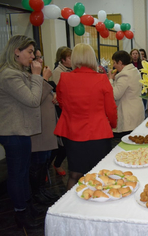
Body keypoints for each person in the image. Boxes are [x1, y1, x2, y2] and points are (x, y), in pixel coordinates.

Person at [54, 43, 117, 190]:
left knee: (74, 174)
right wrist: (112, 124)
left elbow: (62, 104)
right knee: (101, 173)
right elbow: (111, 109)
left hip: (72, 132)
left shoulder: (64, 78)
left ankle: (71, 209)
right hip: (98, 132)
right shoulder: (102, 79)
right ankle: (98, 205)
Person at [0, 35, 43, 228]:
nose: (33, 56)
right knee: (17, 173)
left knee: (24, 171)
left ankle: (27, 205)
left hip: (21, 131)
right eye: (30, 52)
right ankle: (20, 212)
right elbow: (33, 100)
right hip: (13, 132)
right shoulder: (9, 74)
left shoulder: (18, 72)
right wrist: (37, 76)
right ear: (16, 51)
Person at [29, 49, 58, 205]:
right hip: (38, 129)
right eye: (35, 57)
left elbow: (45, 96)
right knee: (38, 162)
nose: (39, 60)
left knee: (45, 160)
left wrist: (54, 96)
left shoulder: (38, 78)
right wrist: (45, 80)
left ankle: (42, 189)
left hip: (47, 127)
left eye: (40, 57)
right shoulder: (30, 78)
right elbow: (34, 100)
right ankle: (36, 193)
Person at [108, 50, 145, 140]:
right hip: (136, 111)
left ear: (120, 62)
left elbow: (115, 95)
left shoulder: (124, 75)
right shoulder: (134, 70)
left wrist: (110, 80)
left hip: (128, 115)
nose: (113, 65)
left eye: (114, 62)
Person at [50, 46, 72, 176]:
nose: (72, 59)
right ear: (63, 59)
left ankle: (58, 163)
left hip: (70, 109)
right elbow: (61, 92)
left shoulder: (72, 69)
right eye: (69, 57)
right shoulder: (58, 71)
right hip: (61, 109)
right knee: (63, 141)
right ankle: (56, 164)